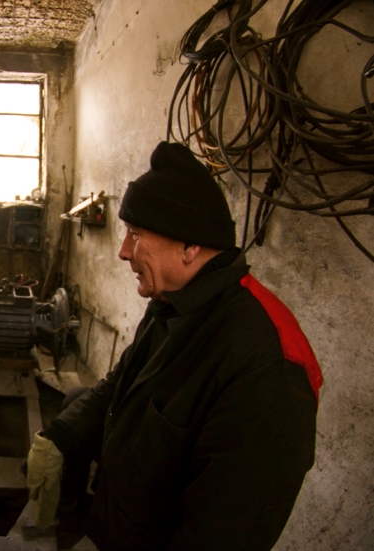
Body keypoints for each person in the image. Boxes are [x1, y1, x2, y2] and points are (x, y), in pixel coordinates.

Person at [25, 142, 322, 551]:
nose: (123, 251)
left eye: (137, 234)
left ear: (191, 247)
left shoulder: (268, 368)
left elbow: (221, 537)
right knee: (77, 398)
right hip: (117, 526)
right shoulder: (172, 302)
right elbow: (117, 386)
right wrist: (59, 436)